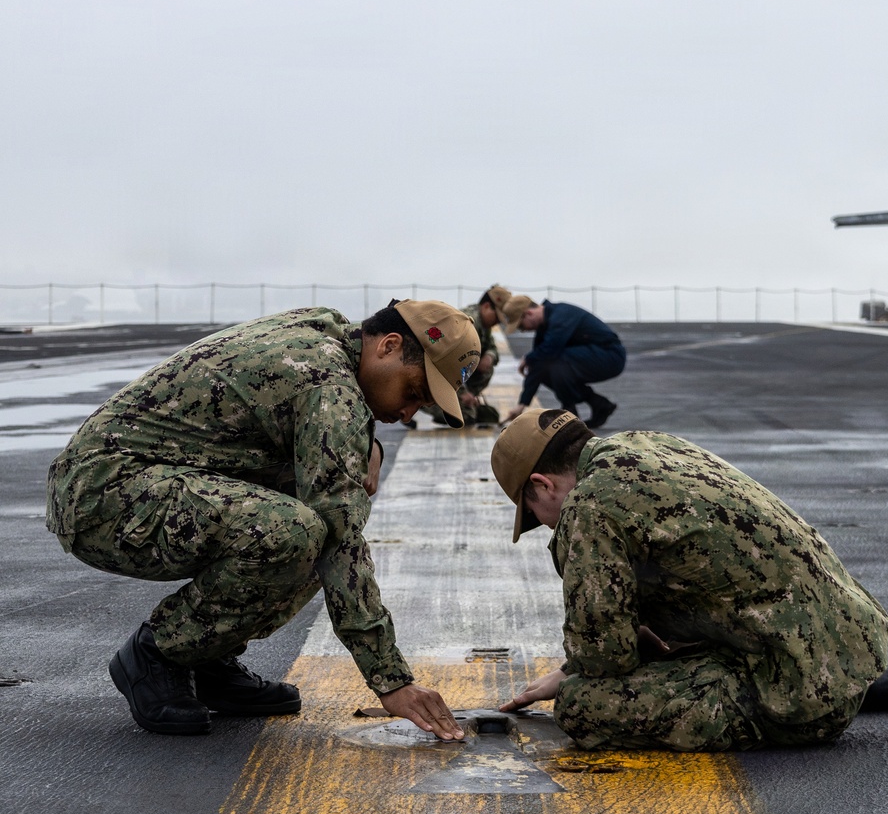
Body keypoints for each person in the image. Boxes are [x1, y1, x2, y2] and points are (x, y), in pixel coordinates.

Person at [46, 300, 480, 740]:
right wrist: (392, 680)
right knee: (301, 531)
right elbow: (341, 540)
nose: (408, 414)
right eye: (412, 393)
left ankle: (207, 655)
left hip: (138, 478)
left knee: (312, 517)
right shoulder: (328, 383)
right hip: (104, 494)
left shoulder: (327, 334)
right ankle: (160, 652)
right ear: (388, 346)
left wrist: (369, 443)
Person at [491, 409, 888, 751]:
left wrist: (574, 674)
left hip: (795, 688)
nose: (546, 526)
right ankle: (843, 685)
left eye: (535, 517)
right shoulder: (646, 445)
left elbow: (605, 660)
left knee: (581, 706)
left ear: (542, 484)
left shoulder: (590, 505)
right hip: (844, 642)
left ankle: (811, 699)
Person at [501, 294, 626, 429]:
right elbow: (537, 366)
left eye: (520, 325)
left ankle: (570, 412)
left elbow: (550, 351)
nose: (523, 330)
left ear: (529, 313)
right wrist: (522, 404)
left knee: (554, 360)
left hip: (610, 356)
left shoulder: (561, 315)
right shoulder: (545, 327)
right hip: (593, 356)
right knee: (544, 364)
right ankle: (598, 404)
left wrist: (528, 358)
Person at [426, 284, 508, 427]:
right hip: (437, 375)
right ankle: (422, 400)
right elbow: (449, 363)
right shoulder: (468, 324)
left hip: (454, 376)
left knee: (487, 369)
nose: (498, 322)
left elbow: (492, 348)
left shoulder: (483, 325)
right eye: (497, 317)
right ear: (487, 307)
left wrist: (489, 356)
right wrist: (463, 392)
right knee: (466, 417)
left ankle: (461, 402)